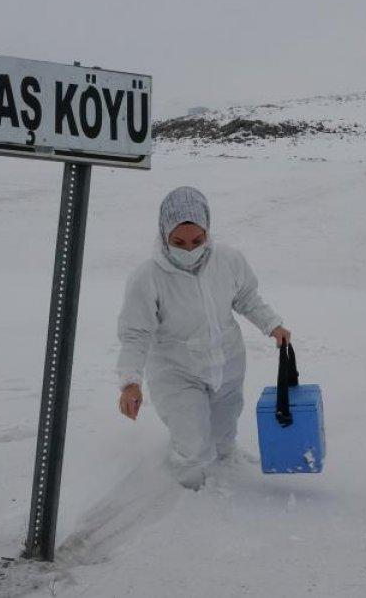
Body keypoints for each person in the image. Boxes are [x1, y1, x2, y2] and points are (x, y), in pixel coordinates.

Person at [116, 186, 291, 490]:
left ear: (208, 231)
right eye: (178, 242)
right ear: (163, 234)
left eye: (198, 240)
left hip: (227, 361)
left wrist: (272, 325)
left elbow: (246, 297)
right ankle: (189, 493)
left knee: (224, 430)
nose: (189, 249)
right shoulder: (147, 278)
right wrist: (131, 382)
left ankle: (228, 465)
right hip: (177, 370)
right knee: (192, 441)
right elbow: (135, 334)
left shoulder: (229, 261)